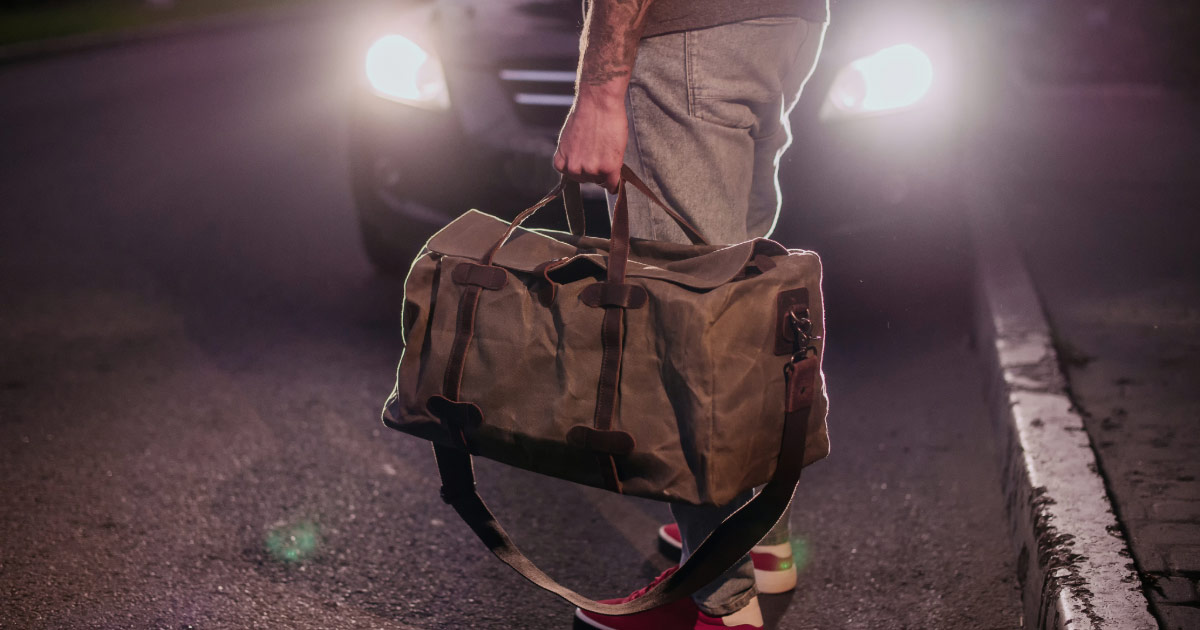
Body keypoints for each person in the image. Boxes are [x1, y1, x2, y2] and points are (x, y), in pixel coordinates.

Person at [554, 0, 828, 628]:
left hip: (691, 33)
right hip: (786, 26)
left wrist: (599, 90)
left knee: (687, 328)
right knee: (744, 307)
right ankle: (759, 545)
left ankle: (720, 602)